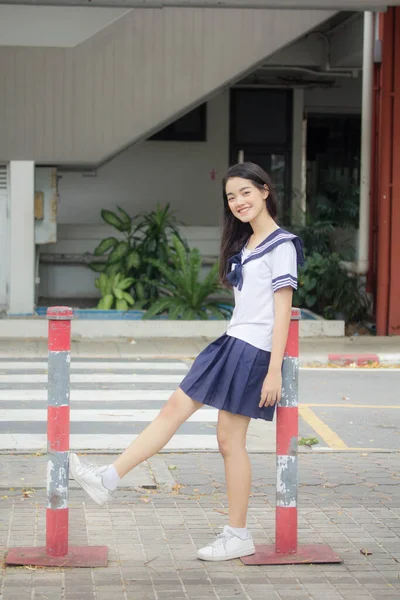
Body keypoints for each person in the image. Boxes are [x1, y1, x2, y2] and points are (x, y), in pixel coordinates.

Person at [70, 161, 304, 562]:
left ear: (265, 191)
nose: (238, 202)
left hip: (255, 353)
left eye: (246, 192)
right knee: (173, 408)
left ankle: (238, 534)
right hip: (231, 343)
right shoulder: (246, 245)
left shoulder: (282, 245)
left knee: (230, 442)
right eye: (231, 196)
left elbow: (283, 312)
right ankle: (108, 479)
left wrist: (272, 371)